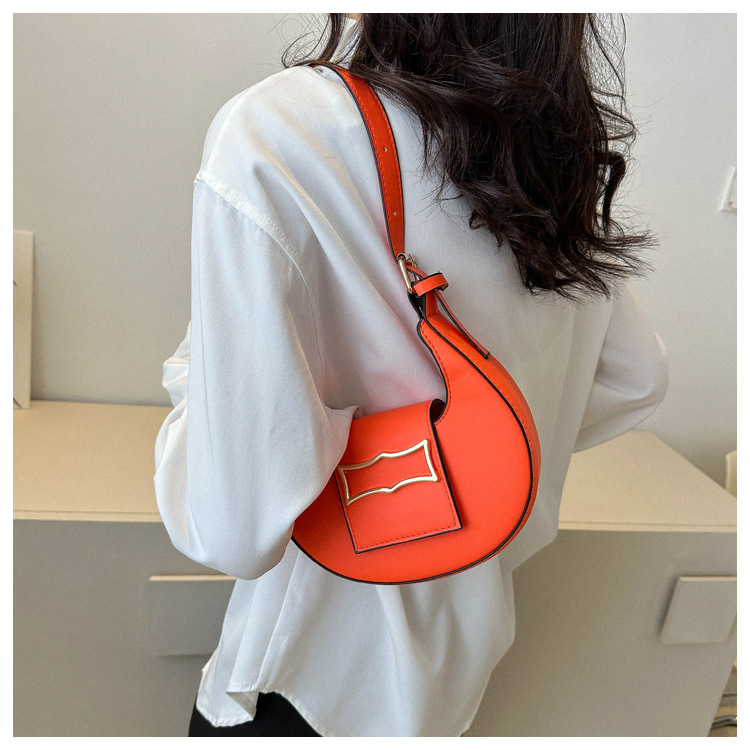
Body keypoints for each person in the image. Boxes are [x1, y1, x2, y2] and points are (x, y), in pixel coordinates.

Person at [153, 13, 668, 737]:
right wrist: (483, 455)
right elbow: (636, 377)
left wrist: (190, 379)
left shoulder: (284, 129)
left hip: (308, 675)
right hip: (462, 650)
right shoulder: (553, 148)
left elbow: (230, 530)